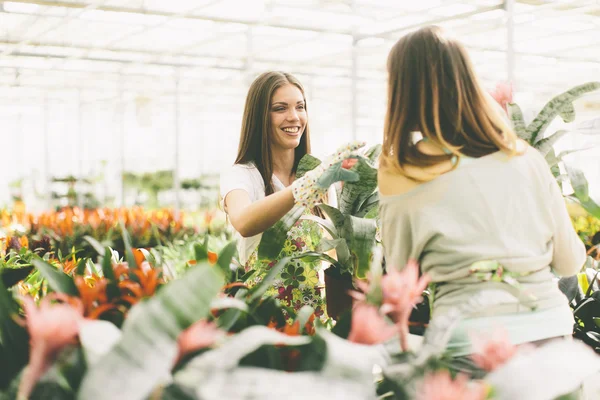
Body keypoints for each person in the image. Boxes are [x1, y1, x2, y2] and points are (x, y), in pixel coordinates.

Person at [377, 26, 586, 374]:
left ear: (402, 90)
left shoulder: (402, 169)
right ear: (467, 83)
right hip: (550, 341)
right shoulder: (525, 158)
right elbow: (569, 263)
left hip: (467, 348)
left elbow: (400, 277)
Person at [220, 71, 363, 321]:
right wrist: (303, 188)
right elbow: (242, 221)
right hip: (263, 321)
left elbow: (331, 253)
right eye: (280, 108)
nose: (294, 117)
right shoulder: (243, 175)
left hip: (312, 318)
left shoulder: (316, 177)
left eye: (300, 107)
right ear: (259, 117)